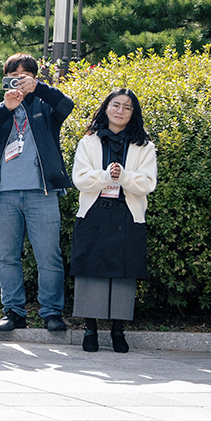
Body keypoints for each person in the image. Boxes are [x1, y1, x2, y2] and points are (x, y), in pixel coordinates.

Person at [0, 54, 75, 333]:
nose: (19, 78)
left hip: (41, 191)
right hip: (4, 193)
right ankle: (13, 311)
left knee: (48, 256)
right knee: (7, 255)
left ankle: (52, 312)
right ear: (5, 78)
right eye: (13, 73)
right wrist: (6, 109)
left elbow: (67, 105)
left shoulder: (43, 105)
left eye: (25, 73)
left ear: (34, 76)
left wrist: (39, 88)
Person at [71, 89, 156, 354]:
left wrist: (124, 177)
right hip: (94, 212)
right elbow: (80, 178)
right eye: (115, 105)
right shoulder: (89, 142)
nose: (120, 111)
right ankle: (90, 330)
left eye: (127, 107)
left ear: (134, 114)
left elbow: (147, 183)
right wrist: (107, 175)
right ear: (106, 108)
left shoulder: (145, 146)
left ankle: (118, 331)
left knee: (124, 273)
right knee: (90, 271)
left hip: (127, 213)